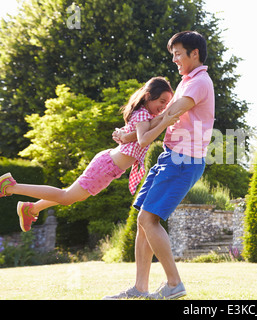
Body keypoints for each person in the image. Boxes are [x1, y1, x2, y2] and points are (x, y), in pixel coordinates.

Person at [103, 31, 215, 300]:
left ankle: (174, 283)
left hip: (183, 160)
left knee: (147, 219)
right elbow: (166, 117)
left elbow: (169, 115)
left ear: (194, 53)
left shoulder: (199, 83)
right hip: (170, 157)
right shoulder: (187, 81)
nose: (174, 58)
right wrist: (130, 135)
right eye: (173, 54)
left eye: (178, 53)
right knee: (143, 219)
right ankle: (140, 288)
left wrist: (135, 135)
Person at [0, 77, 179, 232]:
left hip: (109, 167)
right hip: (107, 166)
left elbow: (137, 135)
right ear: (148, 96)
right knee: (66, 197)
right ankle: (11, 187)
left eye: (166, 104)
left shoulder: (145, 116)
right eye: (161, 102)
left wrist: (160, 120)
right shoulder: (142, 116)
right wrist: (165, 122)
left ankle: (31, 208)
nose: (163, 107)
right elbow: (143, 140)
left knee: (70, 196)